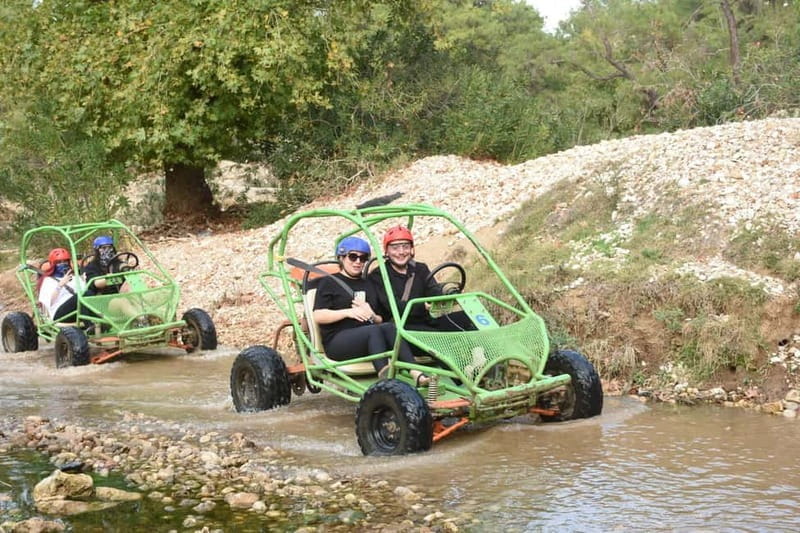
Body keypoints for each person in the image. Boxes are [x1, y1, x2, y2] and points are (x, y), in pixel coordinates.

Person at [312, 236, 429, 384]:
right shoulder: (329, 282)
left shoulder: (368, 284)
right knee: (373, 331)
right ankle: (386, 378)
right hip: (337, 340)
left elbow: (379, 319)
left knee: (389, 327)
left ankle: (416, 372)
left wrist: (371, 314)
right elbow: (318, 315)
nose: (358, 262)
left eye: (363, 258)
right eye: (353, 257)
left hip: (366, 338)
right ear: (341, 258)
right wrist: (348, 312)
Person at [369, 225, 475, 333]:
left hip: (426, 321)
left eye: (405, 246)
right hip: (401, 328)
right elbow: (394, 307)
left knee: (469, 318)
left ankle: (479, 349)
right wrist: (422, 306)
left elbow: (432, 289)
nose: (401, 252)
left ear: (411, 248)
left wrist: (447, 291)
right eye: (395, 248)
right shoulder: (379, 275)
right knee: (436, 336)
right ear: (387, 250)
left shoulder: (420, 268)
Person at [38, 248, 80, 321]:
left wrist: (85, 281)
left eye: (65, 261)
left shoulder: (75, 277)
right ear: (53, 264)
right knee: (79, 297)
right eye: (59, 262)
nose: (63, 264)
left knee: (89, 293)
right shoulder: (48, 280)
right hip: (58, 313)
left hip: (77, 311)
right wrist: (60, 285)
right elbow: (48, 302)